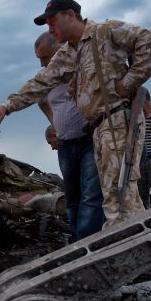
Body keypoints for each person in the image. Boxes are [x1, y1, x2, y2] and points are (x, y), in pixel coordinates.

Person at [0, 0, 151, 227]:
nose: (50, 28)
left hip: (118, 119)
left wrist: (127, 83)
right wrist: (7, 106)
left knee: (118, 193)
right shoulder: (68, 53)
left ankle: (120, 249)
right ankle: (146, 244)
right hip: (99, 128)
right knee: (120, 194)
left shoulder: (105, 31)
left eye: (52, 21)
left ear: (70, 15)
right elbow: (40, 82)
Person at [35, 32, 104, 240]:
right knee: (72, 196)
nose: (42, 62)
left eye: (45, 57)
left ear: (61, 48)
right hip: (65, 142)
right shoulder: (44, 76)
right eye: (39, 58)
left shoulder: (82, 66)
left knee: (91, 195)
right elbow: (40, 101)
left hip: (89, 140)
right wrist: (55, 122)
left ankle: (89, 244)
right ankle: (76, 242)